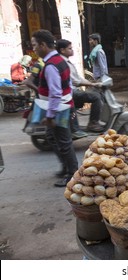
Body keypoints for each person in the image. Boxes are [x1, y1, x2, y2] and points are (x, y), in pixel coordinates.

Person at [31, 29, 78, 187]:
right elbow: (68, 86)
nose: (34, 49)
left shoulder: (51, 65)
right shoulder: (59, 60)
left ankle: (72, 174)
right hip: (62, 106)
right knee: (52, 137)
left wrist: (50, 116)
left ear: (43, 45)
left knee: (64, 142)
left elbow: (56, 93)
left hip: (59, 109)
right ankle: (66, 167)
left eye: (35, 45)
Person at [57, 39, 104, 135]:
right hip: (69, 92)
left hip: (71, 90)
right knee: (96, 97)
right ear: (62, 50)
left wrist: (92, 83)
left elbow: (78, 78)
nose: (72, 50)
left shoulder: (67, 61)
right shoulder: (63, 62)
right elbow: (75, 81)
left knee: (97, 93)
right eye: (69, 48)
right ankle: (93, 123)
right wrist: (91, 84)